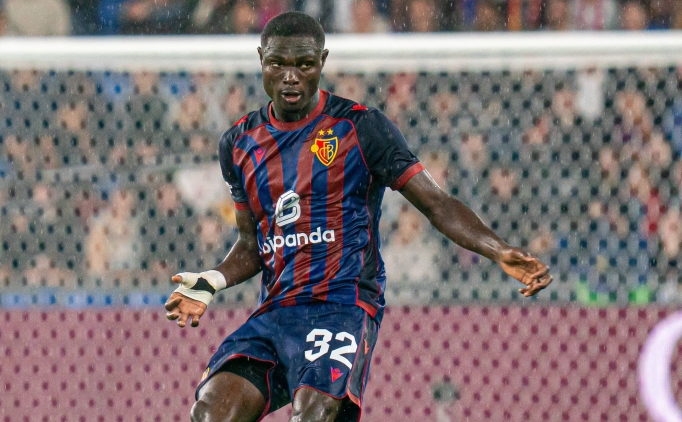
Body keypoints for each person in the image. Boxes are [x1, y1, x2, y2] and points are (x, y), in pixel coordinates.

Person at [164, 11, 552, 422]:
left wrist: (498, 249)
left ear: (323, 62)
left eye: (304, 64)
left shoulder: (362, 128)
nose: (290, 77)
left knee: (314, 415)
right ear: (261, 59)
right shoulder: (239, 143)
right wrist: (213, 279)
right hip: (276, 312)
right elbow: (251, 244)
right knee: (211, 412)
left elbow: (437, 204)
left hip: (341, 305)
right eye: (277, 63)